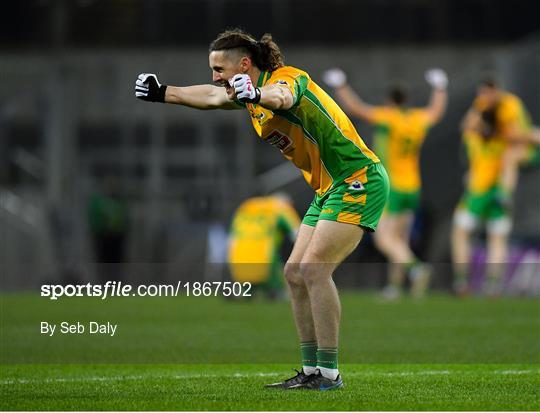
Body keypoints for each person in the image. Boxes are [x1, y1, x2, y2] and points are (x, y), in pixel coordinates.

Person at [135, 28, 389, 390]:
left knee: (314, 270)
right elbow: (210, 96)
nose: (214, 76)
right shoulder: (244, 96)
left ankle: (329, 374)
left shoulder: (286, 79)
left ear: (245, 64)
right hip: (328, 189)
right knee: (293, 274)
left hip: (358, 179)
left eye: (219, 68)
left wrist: (257, 92)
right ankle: (310, 371)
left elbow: (282, 97)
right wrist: (164, 93)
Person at [322, 68, 448, 299]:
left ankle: (416, 268)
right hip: (413, 187)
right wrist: (440, 88)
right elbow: (436, 112)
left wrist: (340, 85)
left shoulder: (388, 117)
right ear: (406, 100)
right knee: (399, 240)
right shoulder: (417, 119)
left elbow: (356, 108)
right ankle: (395, 286)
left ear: (390, 101)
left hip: (393, 187)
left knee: (384, 239)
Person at [453, 78, 540, 296]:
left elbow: (467, 125)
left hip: (479, 190)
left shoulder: (475, 134)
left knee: (461, 233)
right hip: (498, 189)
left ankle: (463, 282)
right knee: (497, 237)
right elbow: (523, 136)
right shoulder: (505, 135)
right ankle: (492, 284)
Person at [228, 193, 300, 300]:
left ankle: (244, 292)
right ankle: (276, 292)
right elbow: (298, 233)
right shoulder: (281, 208)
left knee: (249, 285)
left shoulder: (248, 206)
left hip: (237, 259)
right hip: (265, 260)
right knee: (277, 273)